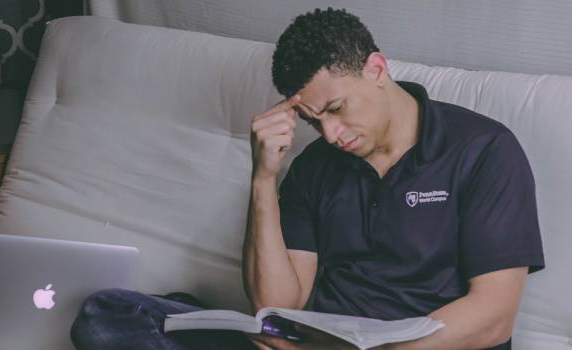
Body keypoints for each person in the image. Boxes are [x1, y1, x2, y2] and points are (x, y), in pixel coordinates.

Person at [71, 7, 544, 350]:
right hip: (315, 341)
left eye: (336, 109)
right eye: (314, 121)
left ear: (377, 69)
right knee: (107, 314)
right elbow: (276, 303)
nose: (331, 134)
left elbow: (494, 317)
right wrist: (264, 177)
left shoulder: (482, 150)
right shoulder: (315, 167)